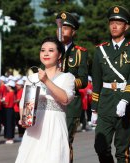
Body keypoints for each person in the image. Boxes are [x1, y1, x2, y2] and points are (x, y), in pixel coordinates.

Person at [91, 5, 130, 163]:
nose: (114, 26)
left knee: (122, 151)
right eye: (111, 22)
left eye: (118, 23)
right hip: (105, 102)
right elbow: (97, 81)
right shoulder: (100, 51)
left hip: (125, 104)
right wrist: (94, 108)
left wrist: (125, 99)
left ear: (126, 26)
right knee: (100, 147)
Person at [15, 37, 75, 163]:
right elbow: (23, 104)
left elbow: (65, 98)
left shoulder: (67, 77)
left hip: (55, 127)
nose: (46, 53)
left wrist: (46, 81)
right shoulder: (32, 77)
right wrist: (24, 118)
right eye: (43, 50)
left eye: (51, 50)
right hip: (34, 130)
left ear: (59, 55)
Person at [56, 11, 88, 162]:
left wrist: (66, 82)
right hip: (51, 103)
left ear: (73, 32)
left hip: (70, 103)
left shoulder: (80, 53)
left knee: (65, 141)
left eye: (66, 27)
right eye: (59, 27)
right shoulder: (51, 49)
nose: (61, 30)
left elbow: (83, 81)